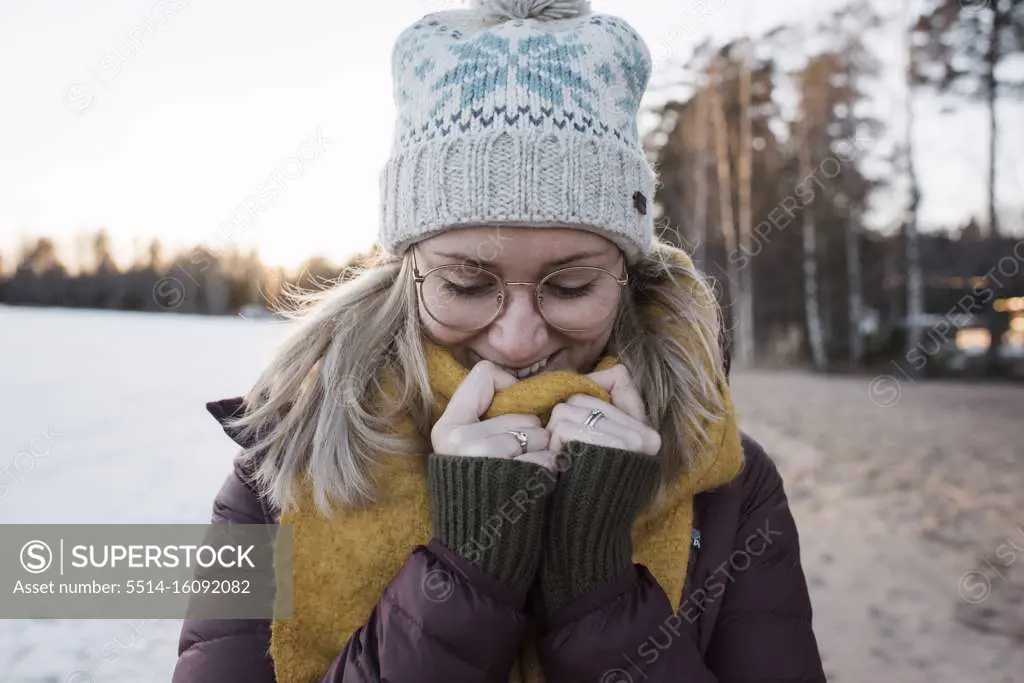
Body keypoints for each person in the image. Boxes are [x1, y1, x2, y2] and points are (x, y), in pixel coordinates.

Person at [172, 1, 825, 681]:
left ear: (628, 280)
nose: (516, 339)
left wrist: (598, 593)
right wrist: (464, 578)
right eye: (465, 283)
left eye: (570, 287)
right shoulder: (280, 470)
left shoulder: (727, 487)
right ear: (407, 275)